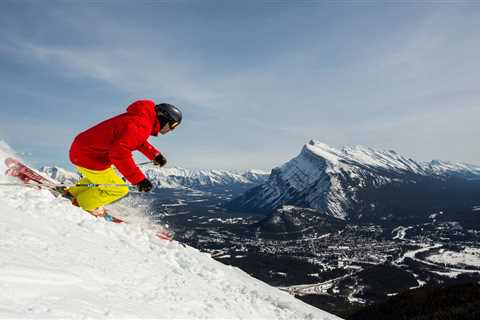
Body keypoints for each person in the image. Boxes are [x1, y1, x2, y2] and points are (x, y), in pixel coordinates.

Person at [66, 100, 182, 216]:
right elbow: (120, 153)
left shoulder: (141, 119)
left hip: (86, 150)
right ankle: (82, 204)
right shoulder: (142, 124)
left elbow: (136, 140)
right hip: (88, 156)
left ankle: (73, 193)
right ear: (164, 118)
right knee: (118, 188)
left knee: (104, 177)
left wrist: (155, 155)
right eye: (173, 125)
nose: (172, 130)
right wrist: (139, 180)